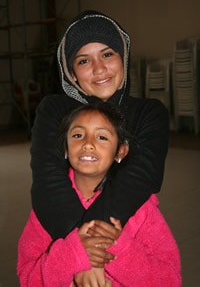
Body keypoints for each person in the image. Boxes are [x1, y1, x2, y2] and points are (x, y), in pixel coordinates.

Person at [30, 10, 169, 240]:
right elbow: (48, 178)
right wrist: (77, 247)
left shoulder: (149, 112)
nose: (99, 68)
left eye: (107, 54)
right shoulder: (53, 109)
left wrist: (90, 244)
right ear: (71, 73)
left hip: (128, 236)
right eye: (84, 60)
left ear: (123, 57)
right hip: (62, 232)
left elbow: (141, 176)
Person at [18, 102, 181, 286]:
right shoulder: (47, 208)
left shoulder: (142, 210)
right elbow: (28, 279)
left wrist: (117, 248)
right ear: (65, 147)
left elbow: (169, 279)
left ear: (121, 151)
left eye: (102, 137)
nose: (88, 144)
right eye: (78, 135)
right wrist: (73, 254)